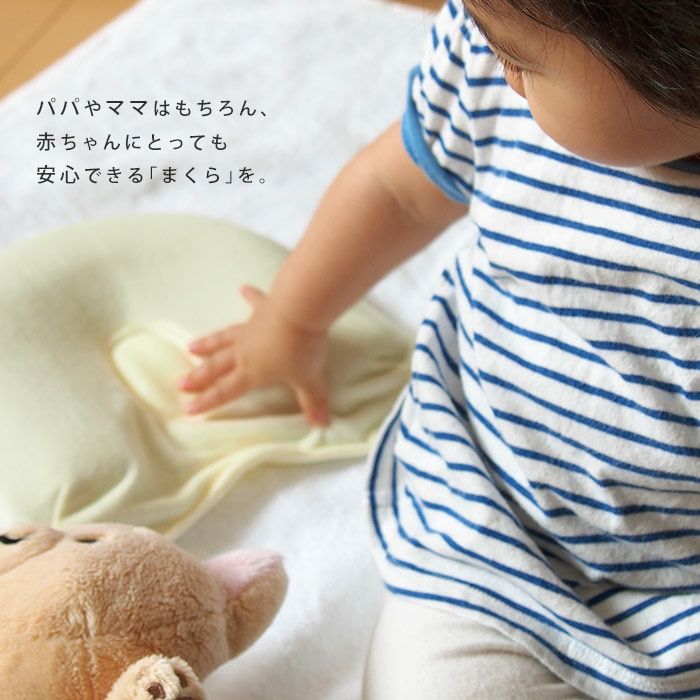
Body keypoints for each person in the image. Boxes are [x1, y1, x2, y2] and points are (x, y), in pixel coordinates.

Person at [177, 0, 700, 696]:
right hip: (487, 531)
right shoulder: (496, 44)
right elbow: (397, 191)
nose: (499, 67)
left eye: (519, 59)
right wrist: (292, 323)